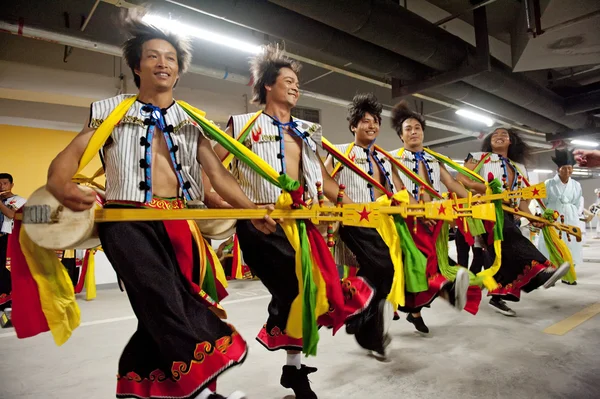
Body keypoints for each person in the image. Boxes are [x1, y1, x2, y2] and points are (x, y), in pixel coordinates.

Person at [45, 17, 274, 399]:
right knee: (162, 298)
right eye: (153, 56)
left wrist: (252, 210)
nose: (163, 63)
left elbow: (218, 175)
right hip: (126, 220)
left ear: (179, 71)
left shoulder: (193, 120)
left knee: (166, 305)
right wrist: (60, 185)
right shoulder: (110, 111)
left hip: (180, 221)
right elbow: (66, 162)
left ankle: (136, 386)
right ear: (137, 66)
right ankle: (201, 392)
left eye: (170, 58)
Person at [214, 46, 374, 399]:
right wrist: (230, 207)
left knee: (304, 289)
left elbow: (324, 179)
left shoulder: (307, 130)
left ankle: (294, 368)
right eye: (288, 81)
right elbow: (212, 169)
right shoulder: (241, 124)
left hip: (302, 223)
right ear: (267, 85)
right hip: (260, 223)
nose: (295, 87)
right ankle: (333, 331)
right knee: (299, 284)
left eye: (297, 83)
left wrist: (346, 202)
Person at [323, 93, 406, 355]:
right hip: (353, 220)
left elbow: (393, 190)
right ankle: (352, 312)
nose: (371, 126)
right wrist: (345, 205)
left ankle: (366, 329)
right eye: (365, 121)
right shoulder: (339, 153)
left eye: (375, 122)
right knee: (384, 266)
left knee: (386, 272)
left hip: (380, 223)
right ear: (353, 126)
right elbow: (324, 182)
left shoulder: (382, 158)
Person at [459, 128, 570, 317]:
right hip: (485, 210)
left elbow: (523, 200)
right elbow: (461, 178)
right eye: (495, 134)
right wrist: (483, 189)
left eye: (504, 135)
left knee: (501, 255)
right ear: (489, 141)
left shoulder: (519, 167)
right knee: (512, 238)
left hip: (509, 212)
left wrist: (534, 219)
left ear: (511, 142)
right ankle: (542, 268)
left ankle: (498, 296)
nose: (499, 136)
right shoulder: (479, 157)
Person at [388, 101, 472, 334]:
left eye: (417, 127)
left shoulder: (434, 159)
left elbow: (452, 184)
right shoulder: (391, 158)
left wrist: (476, 200)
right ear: (401, 135)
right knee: (420, 263)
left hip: (436, 221)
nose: (414, 131)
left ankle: (416, 313)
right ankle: (446, 290)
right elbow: (397, 188)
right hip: (408, 220)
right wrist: (419, 211)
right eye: (408, 128)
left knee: (429, 262)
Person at [538, 149, 582, 285]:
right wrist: (547, 215)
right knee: (551, 244)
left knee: (570, 245)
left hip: (570, 217)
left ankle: (568, 275)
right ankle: (550, 273)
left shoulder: (576, 185)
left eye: (570, 168)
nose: (568, 171)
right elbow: (542, 202)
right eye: (565, 168)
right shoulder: (548, 184)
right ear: (558, 169)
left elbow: (577, 202)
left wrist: (573, 214)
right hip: (553, 218)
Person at [0, 173, 27, 311]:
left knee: (7, 270)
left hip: (9, 238)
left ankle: (8, 301)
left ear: (11, 185)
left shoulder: (20, 201)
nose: (2, 186)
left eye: (5, 183)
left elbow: (11, 215)